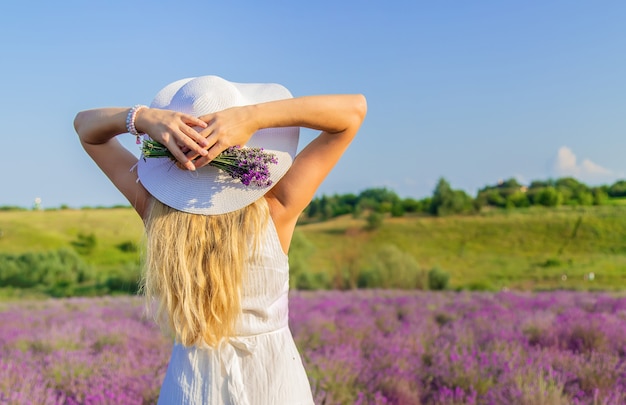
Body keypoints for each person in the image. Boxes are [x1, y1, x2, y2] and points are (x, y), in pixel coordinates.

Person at [74, 75, 366, 404]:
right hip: (273, 383)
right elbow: (353, 111)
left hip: (189, 386)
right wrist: (253, 116)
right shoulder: (277, 207)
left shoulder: (155, 209)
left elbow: (86, 129)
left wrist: (142, 118)